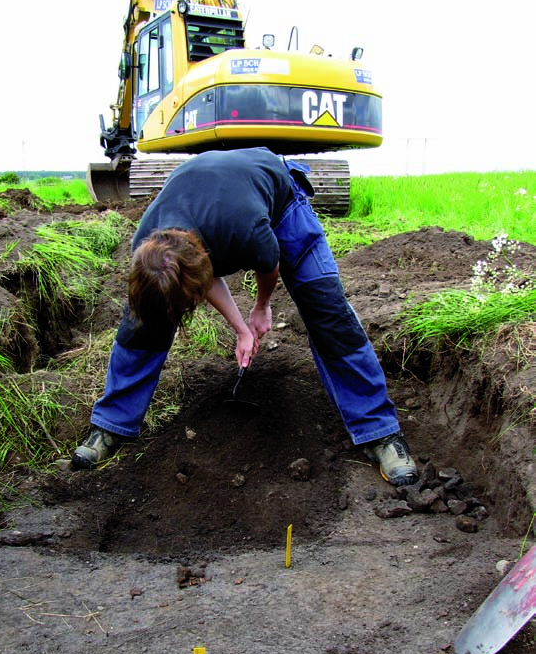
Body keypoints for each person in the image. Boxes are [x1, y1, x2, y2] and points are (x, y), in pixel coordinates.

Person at [71, 147, 418, 486]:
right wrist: (241, 330)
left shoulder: (246, 230)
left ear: (202, 269)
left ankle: (379, 432)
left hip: (280, 201)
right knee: (142, 323)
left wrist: (260, 308)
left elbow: (269, 266)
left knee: (327, 310)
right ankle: (111, 425)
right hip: (211, 200)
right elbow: (193, 277)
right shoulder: (148, 252)